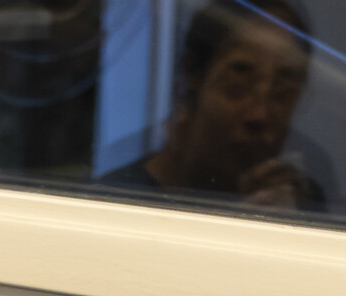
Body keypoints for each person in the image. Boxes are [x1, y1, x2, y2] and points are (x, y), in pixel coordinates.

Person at [96, 0, 330, 212]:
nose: (259, 114)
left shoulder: (300, 198)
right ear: (192, 76)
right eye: (238, 81)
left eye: (283, 92)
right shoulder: (117, 201)